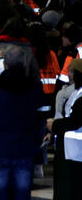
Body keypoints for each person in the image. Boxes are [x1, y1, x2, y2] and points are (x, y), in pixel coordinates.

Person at [0, 44, 44, 200]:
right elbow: (42, 112)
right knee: (22, 194)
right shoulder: (34, 87)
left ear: (5, 64)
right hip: (25, 149)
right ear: (24, 63)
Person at [51, 58, 82, 200]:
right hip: (70, 150)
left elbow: (74, 121)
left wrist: (55, 126)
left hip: (75, 152)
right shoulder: (75, 92)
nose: (68, 75)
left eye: (71, 71)